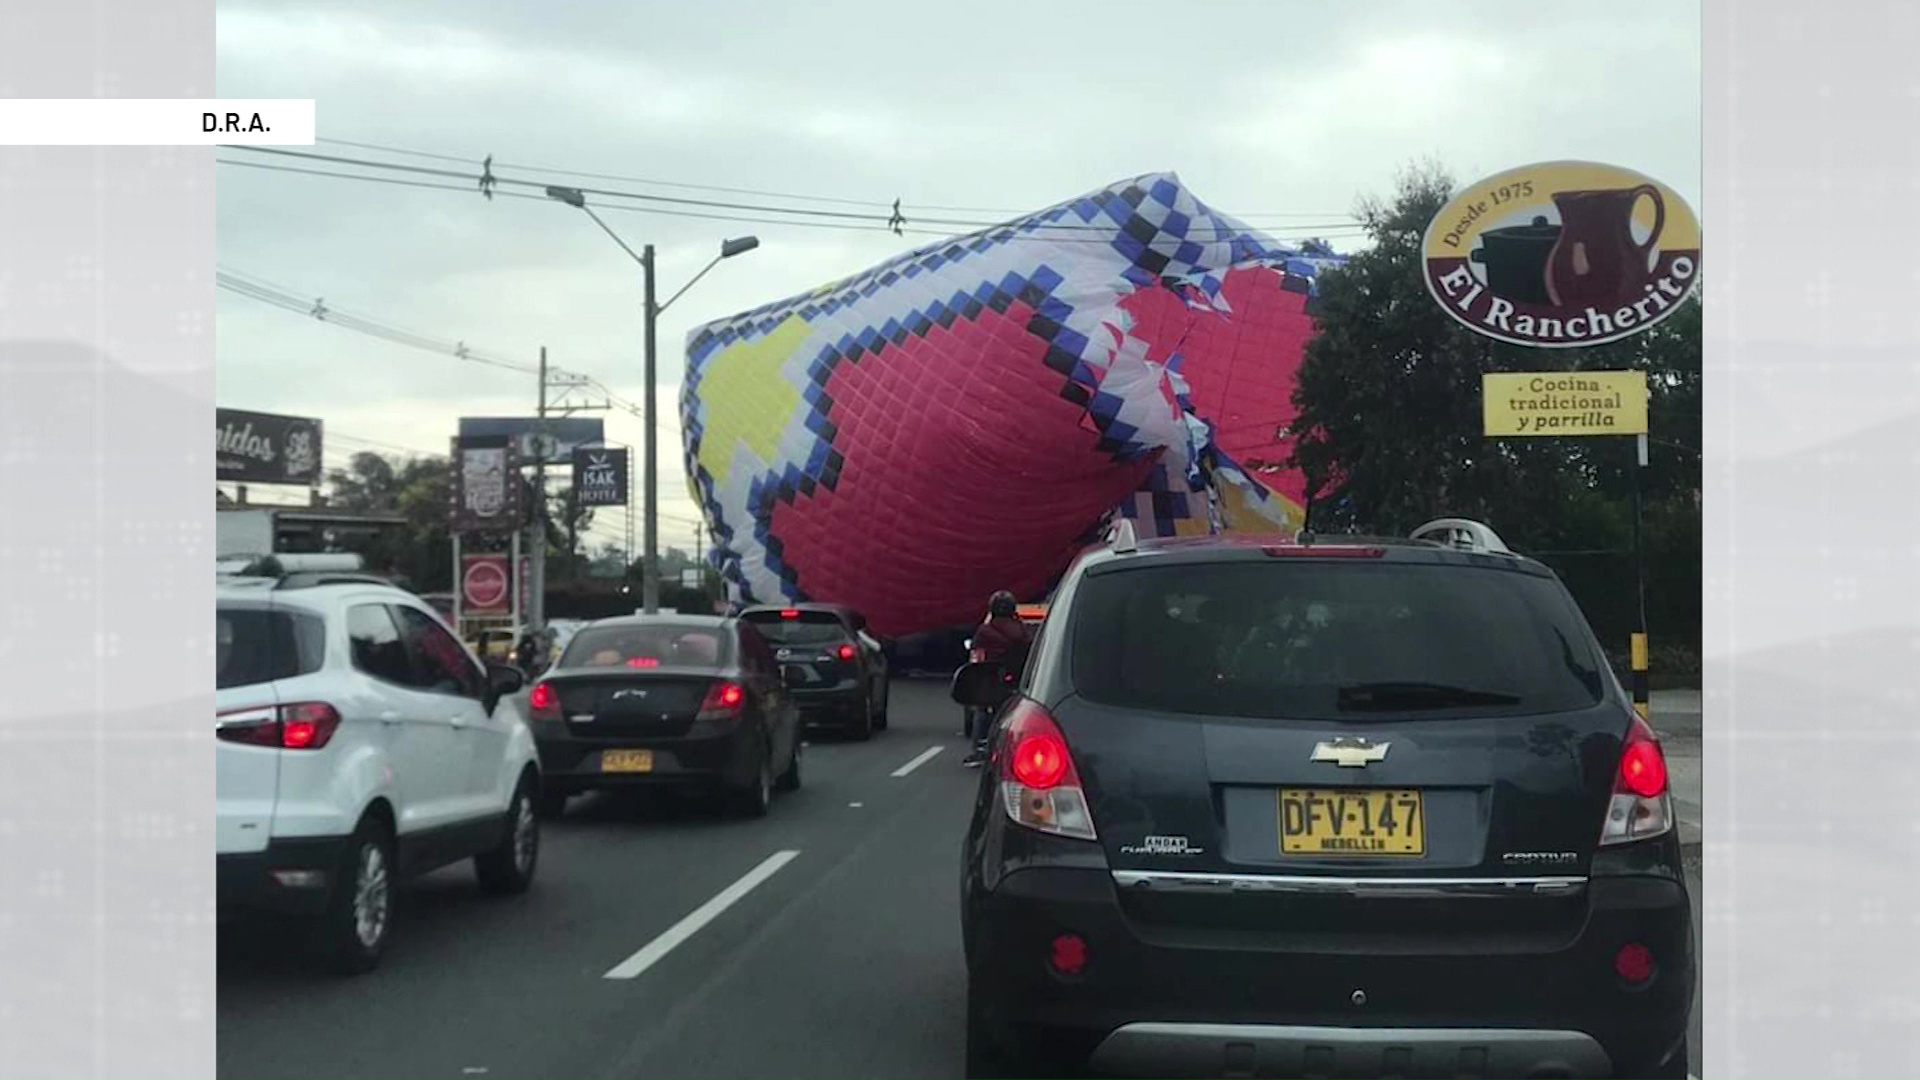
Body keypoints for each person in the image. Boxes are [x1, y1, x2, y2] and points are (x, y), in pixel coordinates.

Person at [962, 591, 1034, 768]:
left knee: (981, 710)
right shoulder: (1021, 630)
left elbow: (976, 657)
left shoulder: (985, 631)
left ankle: (979, 749)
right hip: (1016, 681)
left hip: (990, 680)